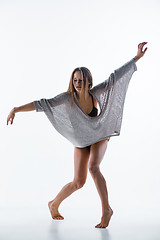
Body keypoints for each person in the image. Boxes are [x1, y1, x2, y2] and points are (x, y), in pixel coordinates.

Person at [7, 42, 148, 228]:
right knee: (78, 182)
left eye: (81, 80)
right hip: (81, 142)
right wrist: (16, 109)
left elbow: (115, 78)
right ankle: (54, 204)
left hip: (99, 136)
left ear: (89, 81)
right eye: (75, 80)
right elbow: (42, 104)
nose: (78, 83)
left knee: (94, 168)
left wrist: (136, 58)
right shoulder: (67, 99)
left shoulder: (96, 92)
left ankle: (107, 210)